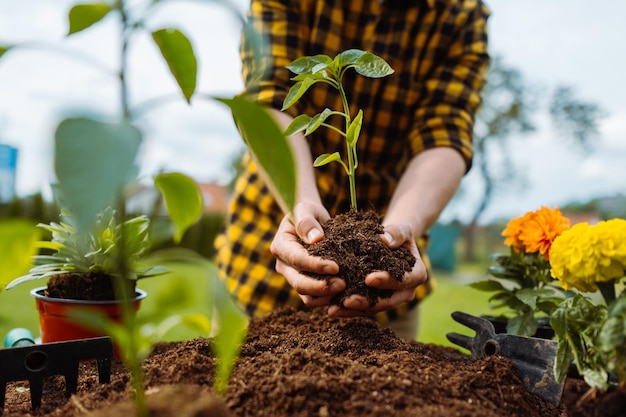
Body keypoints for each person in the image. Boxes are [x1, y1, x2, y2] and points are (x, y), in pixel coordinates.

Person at [215, 0, 490, 340]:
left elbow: (445, 131)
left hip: (383, 299)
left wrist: (401, 229)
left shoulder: (460, 12)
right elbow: (269, 96)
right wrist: (300, 204)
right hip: (261, 264)